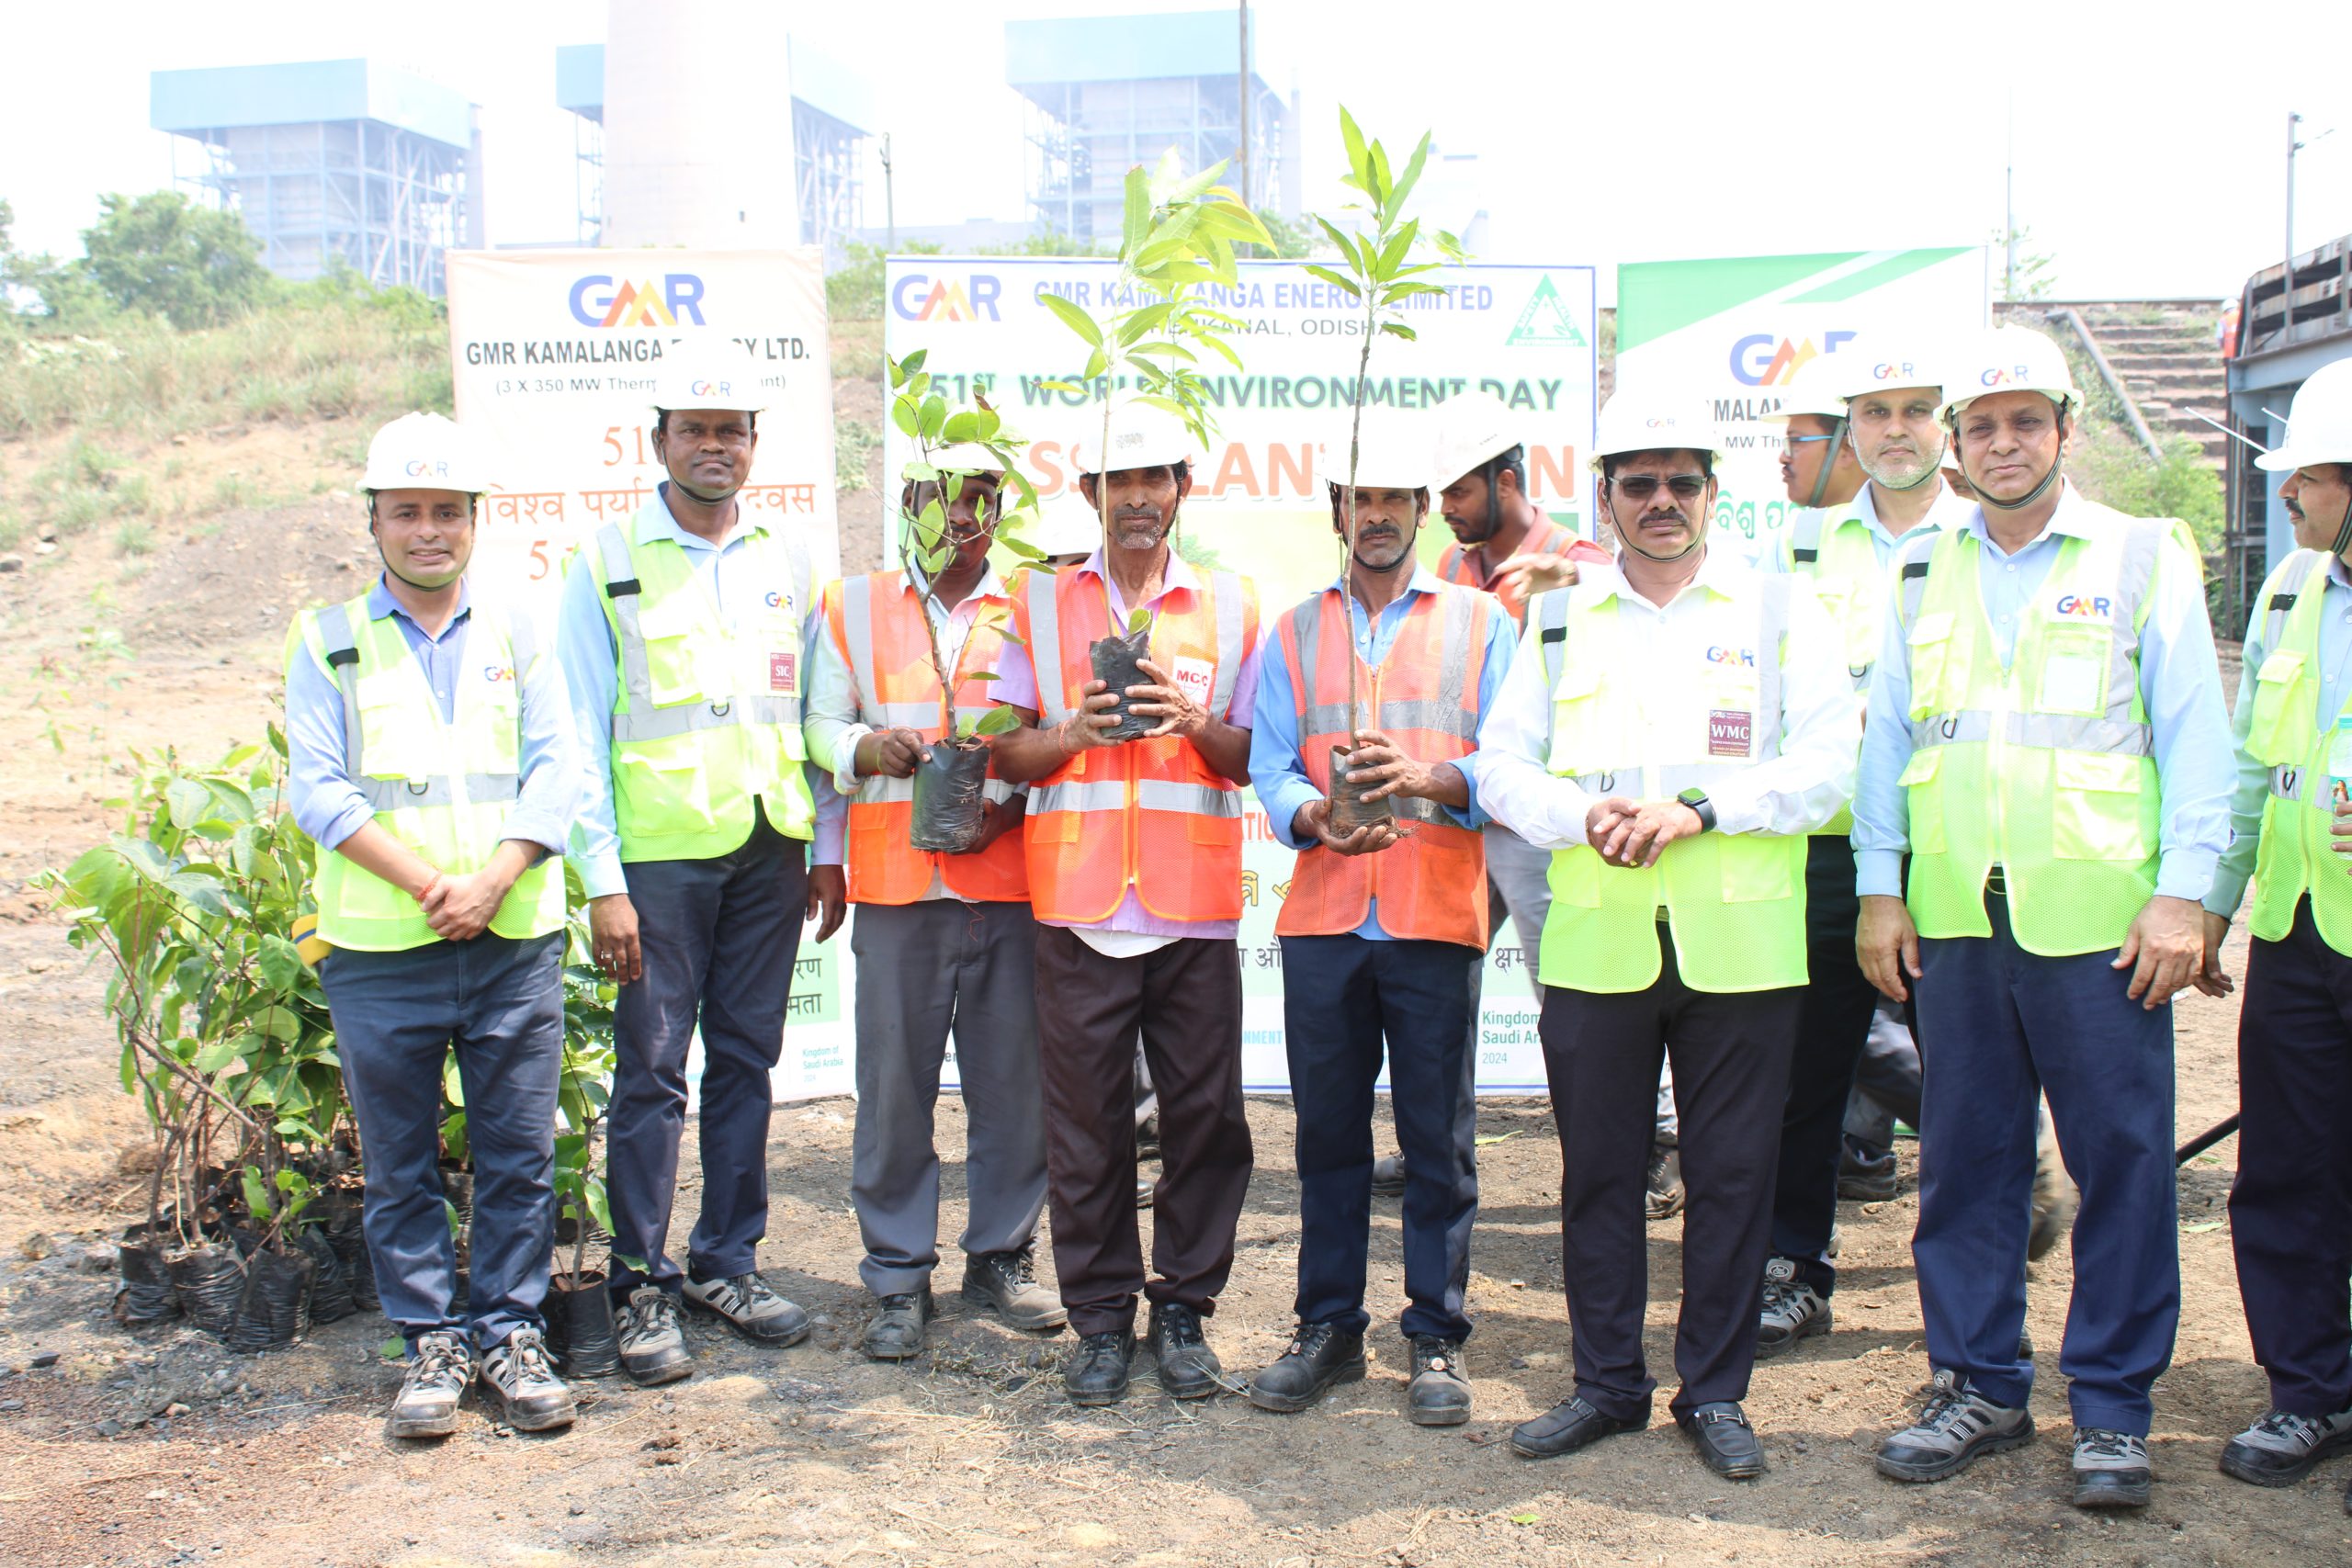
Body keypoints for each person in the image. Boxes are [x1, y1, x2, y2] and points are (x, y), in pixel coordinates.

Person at [1857, 323, 2232, 1509]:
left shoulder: (2140, 553)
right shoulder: (1923, 569)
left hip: (2103, 919)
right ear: (1956, 447)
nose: (2004, 443)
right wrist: (1879, 885)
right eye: (1982, 426)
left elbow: (2197, 736)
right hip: (1958, 914)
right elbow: (1890, 740)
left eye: (2026, 421)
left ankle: (2112, 1409)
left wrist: (2186, 894)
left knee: (2121, 1163)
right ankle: (1979, 1383)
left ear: (2066, 430)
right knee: (1966, 1162)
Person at [1477, 394, 1857, 1480]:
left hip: (1740, 946)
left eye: (1680, 482)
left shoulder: (1777, 611)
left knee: (1733, 1177)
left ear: (1711, 494)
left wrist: (1703, 809)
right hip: (1599, 941)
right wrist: (1576, 814)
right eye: (1637, 484)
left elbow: (1830, 762)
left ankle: (1715, 1392)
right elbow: (1500, 765)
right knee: (1599, 1174)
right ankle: (1605, 1385)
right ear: (1605, 498)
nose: (1660, 501)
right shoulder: (1560, 619)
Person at [285, 412, 577, 1438]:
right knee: (400, 1163)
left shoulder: (520, 630)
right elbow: (318, 790)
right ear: (373, 519)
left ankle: (509, 1333)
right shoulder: (328, 640)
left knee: (518, 1155)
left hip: (512, 939)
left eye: (446, 511)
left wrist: (495, 878)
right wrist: (430, 887)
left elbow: (558, 767)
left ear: (473, 521)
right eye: (406, 511)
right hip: (382, 951)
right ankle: (430, 1343)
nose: (427, 530)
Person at [558, 356, 847, 1387]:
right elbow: (578, 731)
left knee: (746, 1060)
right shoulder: (607, 560)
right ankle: (641, 1284)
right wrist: (602, 879)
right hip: (659, 857)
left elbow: (813, 713)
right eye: (695, 428)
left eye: (732, 429)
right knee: (650, 1070)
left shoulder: (788, 558)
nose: (714, 445)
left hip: (769, 845)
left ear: (754, 444)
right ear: (660, 441)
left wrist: (826, 848)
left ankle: (728, 1262)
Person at [1241, 416, 1517, 1426]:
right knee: (1327, 1136)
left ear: (1422, 509)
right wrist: (1308, 815)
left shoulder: (1482, 623)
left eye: (1396, 498)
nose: (1378, 516)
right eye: (1361, 499)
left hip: (1433, 913)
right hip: (1325, 915)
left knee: (1437, 1141)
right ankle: (1328, 1328)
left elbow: (1509, 765)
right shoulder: (1294, 629)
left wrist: (1434, 778)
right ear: (1337, 511)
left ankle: (1436, 1336)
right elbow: (1270, 763)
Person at [990, 397, 1261, 1408]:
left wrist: (1191, 719)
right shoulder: (1040, 602)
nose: (1138, 498)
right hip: (1077, 903)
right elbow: (1001, 751)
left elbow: (1252, 758)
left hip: (1192, 906)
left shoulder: (1231, 605)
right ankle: (1101, 1320)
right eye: (1119, 481)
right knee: (1086, 1127)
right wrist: (1070, 734)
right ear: (1090, 492)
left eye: (1156, 479)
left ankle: (1184, 1309)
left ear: (1184, 488)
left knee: (1205, 1122)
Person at [804, 446, 1064, 1359]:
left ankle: (1001, 1255)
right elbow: (819, 726)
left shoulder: (1034, 606)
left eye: (978, 498)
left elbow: (1052, 733)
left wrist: (1006, 813)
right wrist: (866, 750)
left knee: (1014, 1086)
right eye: (936, 497)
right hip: (897, 886)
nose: (957, 515)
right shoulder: (853, 604)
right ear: (906, 503)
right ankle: (897, 1273)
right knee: (892, 1091)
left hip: (1009, 882)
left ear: (999, 509)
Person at [1750, 344, 1976, 1359]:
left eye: (1916, 409)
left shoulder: (1985, 540)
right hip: (1827, 848)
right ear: (1850, 427)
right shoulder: (1799, 545)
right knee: (1804, 1068)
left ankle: (1972, 1288)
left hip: (1953, 847)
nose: (1895, 430)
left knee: (1966, 1076)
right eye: (1875, 411)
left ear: (1946, 425)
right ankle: (1793, 1266)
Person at [1413, 392, 1683, 1221]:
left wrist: (1567, 582)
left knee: (1565, 992)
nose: (1447, 507)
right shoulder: (1454, 567)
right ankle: (1432, 1144)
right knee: (1439, 987)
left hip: (1542, 825)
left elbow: (1629, 602)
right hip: (1465, 809)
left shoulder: (1579, 558)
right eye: (1442, 493)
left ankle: (1653, 1147)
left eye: (1460, 491)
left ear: (1506, 481)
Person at [2199, 359, 2352, 1503]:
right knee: (2287, 1171)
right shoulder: (2291, 590)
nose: (2288, 494)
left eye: (2309, 476)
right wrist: (2212, 905)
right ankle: (2310, 1390)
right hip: (2299, 932)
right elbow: (2255, 768)